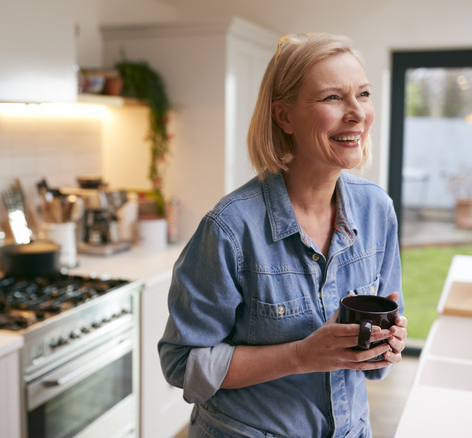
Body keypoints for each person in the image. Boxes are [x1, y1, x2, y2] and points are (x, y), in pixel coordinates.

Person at [158, 32, 409, 438]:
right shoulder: (230, 228)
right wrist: (300, 355)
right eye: (332, 98)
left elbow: (374, 365)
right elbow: (182, 364)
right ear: (284, 116)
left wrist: (387, 346)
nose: (357, 113)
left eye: (363, 94)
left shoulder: (377, 210)